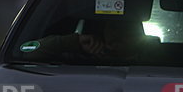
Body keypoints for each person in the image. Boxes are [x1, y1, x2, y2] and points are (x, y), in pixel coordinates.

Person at [23, 18, 154, 61]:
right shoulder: (79, 58)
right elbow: (26, 53)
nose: (119, 33)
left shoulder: (155, 60)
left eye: (127, 28)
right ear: (103, 31)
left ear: (139, 34)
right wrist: (73, 42)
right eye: (113, 27)